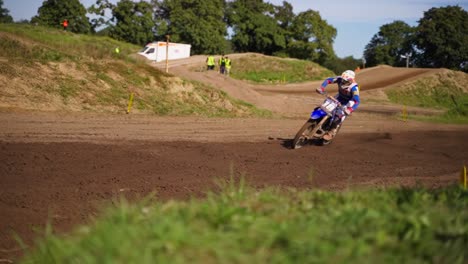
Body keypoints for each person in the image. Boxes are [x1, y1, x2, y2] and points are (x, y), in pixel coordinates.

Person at [315, 70, 360, 140]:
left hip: (348, 101)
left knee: (339, 115)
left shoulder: (354, 88)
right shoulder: (339, 79)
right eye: (342, 79)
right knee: (324, 106)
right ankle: (317, 120)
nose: (342, 82)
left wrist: (350, 109)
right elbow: (328, 80)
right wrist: (322, 88)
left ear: (350, 80)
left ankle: (331, 131)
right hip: (339, 97)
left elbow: (357, 101)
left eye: (345, 81)